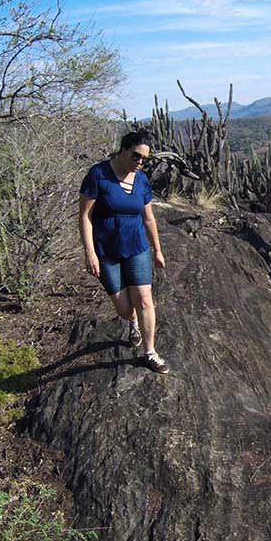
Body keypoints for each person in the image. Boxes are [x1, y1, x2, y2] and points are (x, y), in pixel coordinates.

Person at [78, 130, 169, 374]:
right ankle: (132, 322)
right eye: (136, 156)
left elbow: (148, 218)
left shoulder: (141, 180)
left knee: (145, 300)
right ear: (123, 150)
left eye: (144, 159)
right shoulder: (98, 175)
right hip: (107, 250)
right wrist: (90, 253)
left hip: (136, 246)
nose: (140, 162)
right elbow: (85, 217)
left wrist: (157, 250)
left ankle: (150, 353)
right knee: (124, 308)